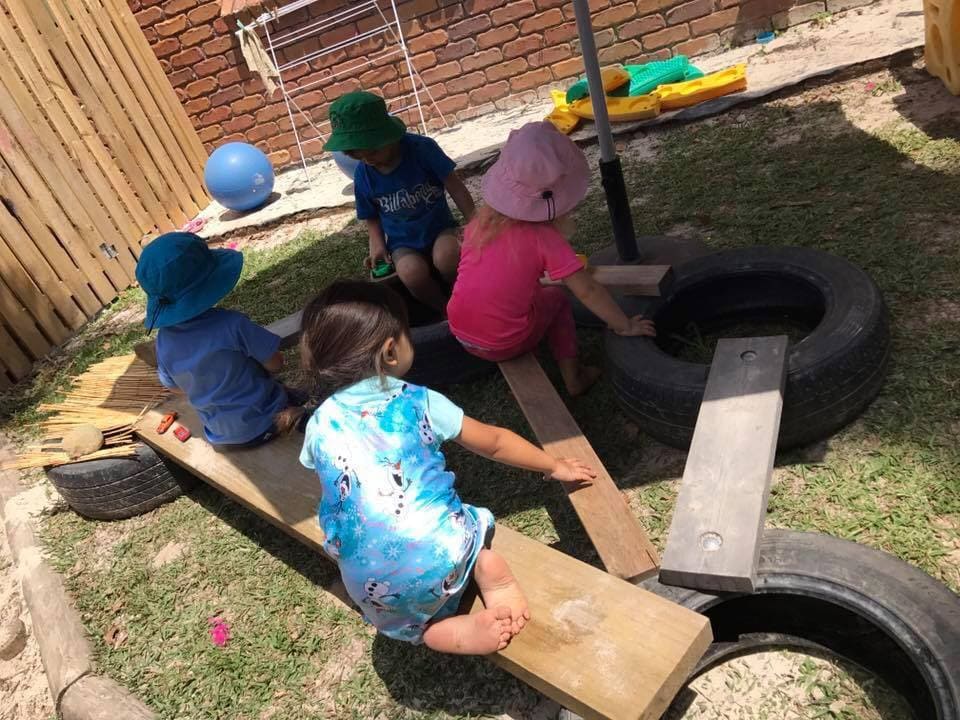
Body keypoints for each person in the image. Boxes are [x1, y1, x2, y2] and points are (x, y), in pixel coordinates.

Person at [288, 280, 595, 654]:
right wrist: (553, 465)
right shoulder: (418, 402)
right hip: (442, 550)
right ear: (390, 352)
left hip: (368, 583)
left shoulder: (320, 422)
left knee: (415, 628)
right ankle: (482, 566)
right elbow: (496, 443)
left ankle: (437, 631)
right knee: (465, 531)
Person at [447, 121, 655, 396]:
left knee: (535, 292)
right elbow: (588, 290)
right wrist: (624, 325)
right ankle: (574, 377)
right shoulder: (544, 237)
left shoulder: (477, 226)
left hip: (459, 332)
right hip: (503, 343)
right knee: (557, 300)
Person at [135, 232, 304, 448]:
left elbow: (175, 387)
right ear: (210, 281)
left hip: (219, 434)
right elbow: (276, 363)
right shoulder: (232, 325)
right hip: (265, 424)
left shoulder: (163, 342)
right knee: (288, 399)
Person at [324, 91, 475, 313]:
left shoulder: (422, 149)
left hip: (441, 228)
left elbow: (454, 185)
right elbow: (371, 216)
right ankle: (446, 310)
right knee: (411, 274)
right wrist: (377, 245)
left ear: (390, 135)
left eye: (373, 151)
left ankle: (464, 297)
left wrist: (473, 218)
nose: (368, 160)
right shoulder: (364, 174)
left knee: (447, 258)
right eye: (359, 156)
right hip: (402, 243)